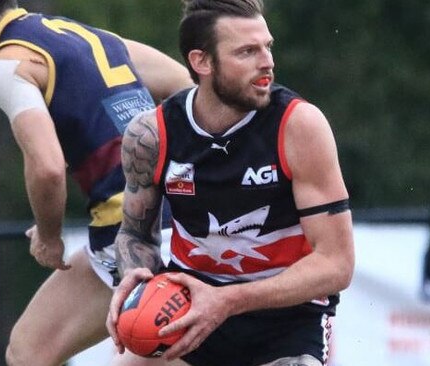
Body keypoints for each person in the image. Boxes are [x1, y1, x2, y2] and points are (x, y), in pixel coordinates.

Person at [0, 1, 193, 365]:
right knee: (28, 349)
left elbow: (47, 168)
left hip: (133, 233)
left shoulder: (7, 62)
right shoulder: (84, 36)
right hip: (170, 219)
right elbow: (183, 84)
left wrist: (49, 236)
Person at [106, 0, 355, 365]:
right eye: (247, 52)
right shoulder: (151, 133)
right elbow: (135, 234)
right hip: (187, 306)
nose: (267, 61)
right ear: (201, 62)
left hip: (286, 318)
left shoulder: (299, 126)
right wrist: (134, 277)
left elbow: (336, 264)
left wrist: (226, 301)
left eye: (267, 47)